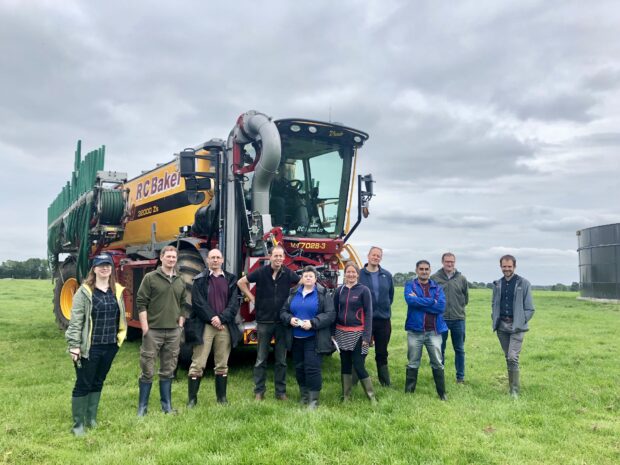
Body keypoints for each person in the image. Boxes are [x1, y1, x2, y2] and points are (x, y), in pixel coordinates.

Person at [65, 253, 127, 436]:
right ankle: (78, 425)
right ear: (94, 269)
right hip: (90, 347)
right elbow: (76, 322)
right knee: (84, 383)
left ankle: (91, 418)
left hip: (110, 345)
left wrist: (118, 340)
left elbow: (120, 316)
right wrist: (74, 345)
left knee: (99, 381)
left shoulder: (116, 290)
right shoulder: (84, 292)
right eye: (101, 265)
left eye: (108, 265)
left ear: (111, 269)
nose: (105, 268)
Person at [237, 245, 300, 401]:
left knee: (281, 360)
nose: (278, 259)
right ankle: (259, 391)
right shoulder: (261, 272)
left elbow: (300, 283)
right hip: (264, 321)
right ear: (270, 257)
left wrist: (292, 299)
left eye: (281, 256)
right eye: (275, 256)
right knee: (261, 359)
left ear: (284, 258)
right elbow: (241, 282)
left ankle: (281, 392)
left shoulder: (288, 274)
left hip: (282, 323)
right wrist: (252, 299)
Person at [136, 246, 188, 416]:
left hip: (173, 331)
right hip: (153, 331)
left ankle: (166, 406)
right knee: (147, 368)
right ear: (161, 257)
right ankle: (142, 408)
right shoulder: (150, 278)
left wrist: (180, 324)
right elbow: (141, 301)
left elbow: (183, 304)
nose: (171, 260)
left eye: (174, 257)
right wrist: (145, 328)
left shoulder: (180, 280)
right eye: (169, 257)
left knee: (168, 368)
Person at [187, 248, 240, 405]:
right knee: (198, 363)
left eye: (218, 257)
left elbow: (233, 304)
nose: (215, 260)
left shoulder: (231, 279)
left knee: (222, 364)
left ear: (222, 260)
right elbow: (198, 303)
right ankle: (192, 399)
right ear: (208, 261)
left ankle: (222, 398)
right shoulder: (199, 280)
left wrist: (221, 318)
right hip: (205, 326)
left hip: (224, 326)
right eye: (212, 258)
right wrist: (212, 318)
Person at [280, 266, 335, 409]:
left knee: (312, 368)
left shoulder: (323, 294)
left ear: (316, 279)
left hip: (313, 338)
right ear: (302, 279)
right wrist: (290, 319)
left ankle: (313, 400)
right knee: (299, 367)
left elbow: (330, 314)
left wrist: (312, 323)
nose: (308, 278)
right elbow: (283, 311)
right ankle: (304, 396)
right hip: (296, 338)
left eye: (311, 276)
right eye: (306, 276)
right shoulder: (293, 293)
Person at [491, 255, 535, 398]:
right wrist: (495, 318)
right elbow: (494, 303)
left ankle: (514, 391)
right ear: (501, 266)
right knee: (508, 357)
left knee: (512, 357)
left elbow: (530, 309)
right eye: (504, 266)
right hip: (502, 326)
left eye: (509, 266)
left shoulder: (524, 283)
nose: (507, 269)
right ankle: (511, 386)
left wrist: (520, 322)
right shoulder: (497, 284)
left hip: (517, 326)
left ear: (514, 266)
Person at [404, 260, 448, 400]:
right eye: (421, 269)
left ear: (430, 270)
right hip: (415, 331)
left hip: (433, 331)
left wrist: (420, 301)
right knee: (413, 361)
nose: (424, 271)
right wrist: (431, 302)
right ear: (416, 270)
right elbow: (410, 301)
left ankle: (442, 393)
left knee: (437, 361)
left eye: (426, 269)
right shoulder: (410, 285)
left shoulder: (437, 288)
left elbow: (440, 307)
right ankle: (409, 392)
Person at [334, 262, 376, 403]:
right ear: (344, 274)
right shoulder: (339, 291)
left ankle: (371, 397)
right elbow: (334, 312)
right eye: (348, 272)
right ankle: (346, 396)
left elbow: (369, 313)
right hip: (341, 332)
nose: (351, 274)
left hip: (358, 333)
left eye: (353, 272)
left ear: (358, 274)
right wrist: (332, 332)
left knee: (358, 364)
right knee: (345, 364)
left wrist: (367, 335)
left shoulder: (364, 290)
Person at [359, 246, 394, 386]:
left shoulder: (387, 275)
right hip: (365, 319)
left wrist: (383, 307)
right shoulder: (359, 274)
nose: (376, 257)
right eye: (373, 255)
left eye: (378, 255)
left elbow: (390, 296)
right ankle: (356, 379)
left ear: (381, 258)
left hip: (383, 319)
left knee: (382, 352)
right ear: (368, 256)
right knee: (361, 351)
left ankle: (385, 382)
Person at [431, 252, 469, 384]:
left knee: (459, 349)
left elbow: (465, 298)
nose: (450, 264)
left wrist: (457, 309)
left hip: (458, 319)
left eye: (452, 262)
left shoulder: (462, 279)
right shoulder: (435, 278)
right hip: (441, 319)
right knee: (440, 348)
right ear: (442, 262)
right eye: (447, 261)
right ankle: (439, 374)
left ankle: (460, 377)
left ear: (455, 262)